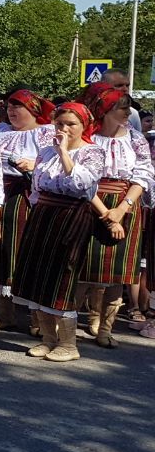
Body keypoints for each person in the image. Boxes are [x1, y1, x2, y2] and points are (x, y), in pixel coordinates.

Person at [12, 103, 105, 362]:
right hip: (44, 215)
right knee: (39, 275)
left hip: (71, 218)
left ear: (84, 126)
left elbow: (83, 185)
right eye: (60, 123)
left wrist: (64, 152)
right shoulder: (45, 152)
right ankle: (47, 339)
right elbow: (37, 185)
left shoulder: (92, 153)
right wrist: (36, 210)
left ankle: (68, 344)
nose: (63, 129)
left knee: (62, 277)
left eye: (71, 124)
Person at [77, 83, 152, 347]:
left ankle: (105, 329)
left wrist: (122, 209)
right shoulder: (88, 136)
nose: (126, 112)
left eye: (127, 107)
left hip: (125, 204)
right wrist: (106, 212)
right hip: (91, 202)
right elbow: (81, 178)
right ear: (105, 108)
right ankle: (79, 321)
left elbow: (143, 174)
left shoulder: (134, 138)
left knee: (116, 273)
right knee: (84, 268)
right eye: (120, 107)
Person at [0, 88, 55, 335]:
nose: (12, 111)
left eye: (18, 107)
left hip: (31, 196)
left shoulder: (46, 133)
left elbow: (61, 160)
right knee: (0, 250)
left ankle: (37, 318)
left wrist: (35, 164)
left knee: (30, 252)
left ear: (33, 110)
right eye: (10, 107)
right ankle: (5, 313)